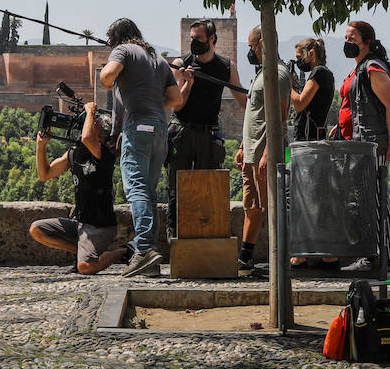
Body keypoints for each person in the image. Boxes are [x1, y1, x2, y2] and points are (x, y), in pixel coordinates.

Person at [99, 18, 183, 277]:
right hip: (159, 131)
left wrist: (114, 72)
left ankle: (144, 247)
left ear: (117, 38)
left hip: (138, 129)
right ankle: (151, 262)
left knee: (135, 189)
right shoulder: (157, 58)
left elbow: (106, 77)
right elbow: (175, 98)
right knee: (147, 192)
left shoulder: (123, 50)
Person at [165, 19, 244, 239]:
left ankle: (206, 242)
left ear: (212, 39)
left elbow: (243, 102)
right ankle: (175, 244)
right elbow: (177, 104)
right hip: (181, 131)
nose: (194, 42)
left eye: (198, 39)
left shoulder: (226, 67)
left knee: (208, 188)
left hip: (208, 134)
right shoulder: (181, 63)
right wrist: (187, 82)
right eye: (191, 38)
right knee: (176, 190)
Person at [30, 101, 128, 274]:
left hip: (100, 226)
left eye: (91, 125)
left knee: (85, 267)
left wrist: (90, 111)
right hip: (81, 224)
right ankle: (81, 252)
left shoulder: (105, 155)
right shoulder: (75, 154)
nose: (86, 127)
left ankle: (123, 252)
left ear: (101, 137)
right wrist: (41, 146)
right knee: (37, 230)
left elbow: (87, 138)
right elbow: (44, 174)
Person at [341, 20, 390, 274]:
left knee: (377, 201)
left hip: (373, 146)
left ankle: (383, 257)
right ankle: (371, 256)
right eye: (346, 37)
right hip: (360, 146)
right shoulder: (360, 69)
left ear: (366, 42)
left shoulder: (373, 68)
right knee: (367, 202)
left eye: (352, 38)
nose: (347, 42)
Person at [235, 25, 291, 275]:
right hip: (251, 153)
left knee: (273, 208)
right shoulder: (261, 74)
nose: (249, 52)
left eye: (250, 46)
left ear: (262, 44)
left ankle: (284, 260)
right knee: (252, 207)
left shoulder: (278, 74)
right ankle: (245, 260)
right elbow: (254, 114)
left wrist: (269, 151)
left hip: (263, 154)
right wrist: (242, 146)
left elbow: (280, 118)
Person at [289, 37, 334, 142]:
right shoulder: (323, 73)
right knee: (288, 155)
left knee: (288, 156)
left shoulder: (319, 72)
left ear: (312, 53)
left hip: (309, 142)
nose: (298, 62)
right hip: (308, 138)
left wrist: (288, 84)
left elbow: (299, 104)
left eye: (300, 57)